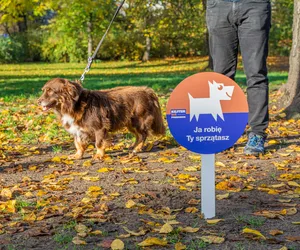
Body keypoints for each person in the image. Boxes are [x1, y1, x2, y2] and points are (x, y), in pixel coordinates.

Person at [206, 0, 271, 155]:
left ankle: (257, 134)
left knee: (256, 73)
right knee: (221, 78)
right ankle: (222, 132)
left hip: (255, 5)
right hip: (219, 7)